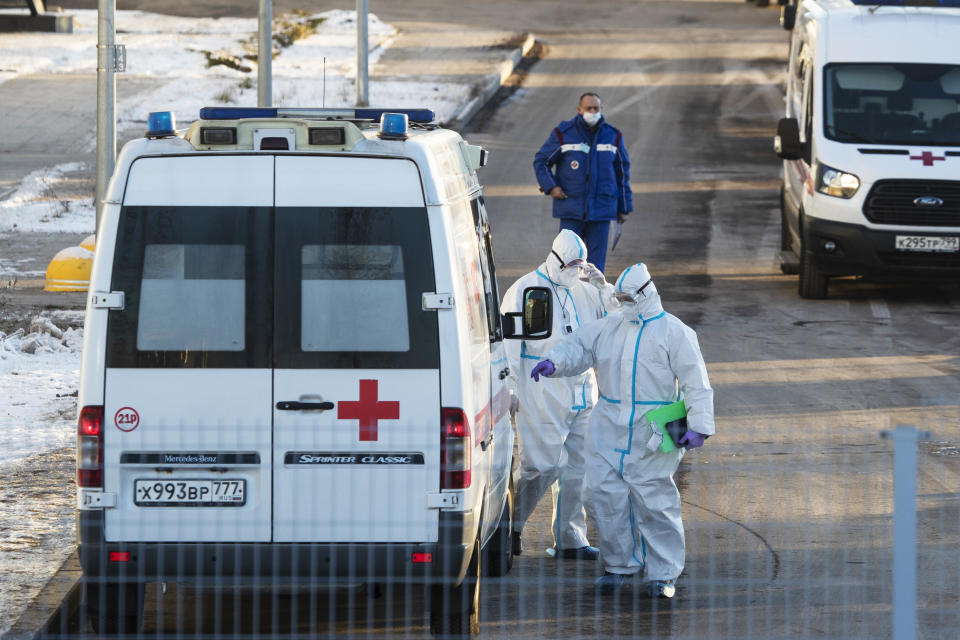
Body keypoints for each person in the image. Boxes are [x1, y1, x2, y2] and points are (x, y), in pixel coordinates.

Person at [529, 262, 714, 597]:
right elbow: (579, 348)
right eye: (621, 297)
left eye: (628, 298)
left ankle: (663, 574)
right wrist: (554, 362)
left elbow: (695, 383)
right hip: (609, 422)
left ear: (645, 295)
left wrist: (698, 425)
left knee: (655, 500)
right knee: (600, 494)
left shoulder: (675, 332)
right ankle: (619, 564)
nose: (623, 303)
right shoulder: (610, 327)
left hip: (658, 424)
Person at [502, 229, 610, 560]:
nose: (576, 271)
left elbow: (619, 320)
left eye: (581, 265)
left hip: (582, 388)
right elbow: (508, 346)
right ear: (555, 259)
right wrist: (511, 388)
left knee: (579, 466)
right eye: (571, 265)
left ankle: (570, 538)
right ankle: (509, 527)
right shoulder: (523, 290)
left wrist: (604, 289)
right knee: (542, 465)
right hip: (542, 391)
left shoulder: (587, 289)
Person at [533, 92, 633, 274]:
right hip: (571, 209)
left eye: (596, 108)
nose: (593, 112)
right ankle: (568, 299)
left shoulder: (613, 137)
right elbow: (542, 161)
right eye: (589, 108)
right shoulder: (563, 135)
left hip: (602, 211)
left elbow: (622, 174)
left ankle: (593, 299)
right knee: (568, 263)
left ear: (601, 110)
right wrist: (551, 186)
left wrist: (623, 207)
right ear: (579, 110)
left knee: (595, 268)